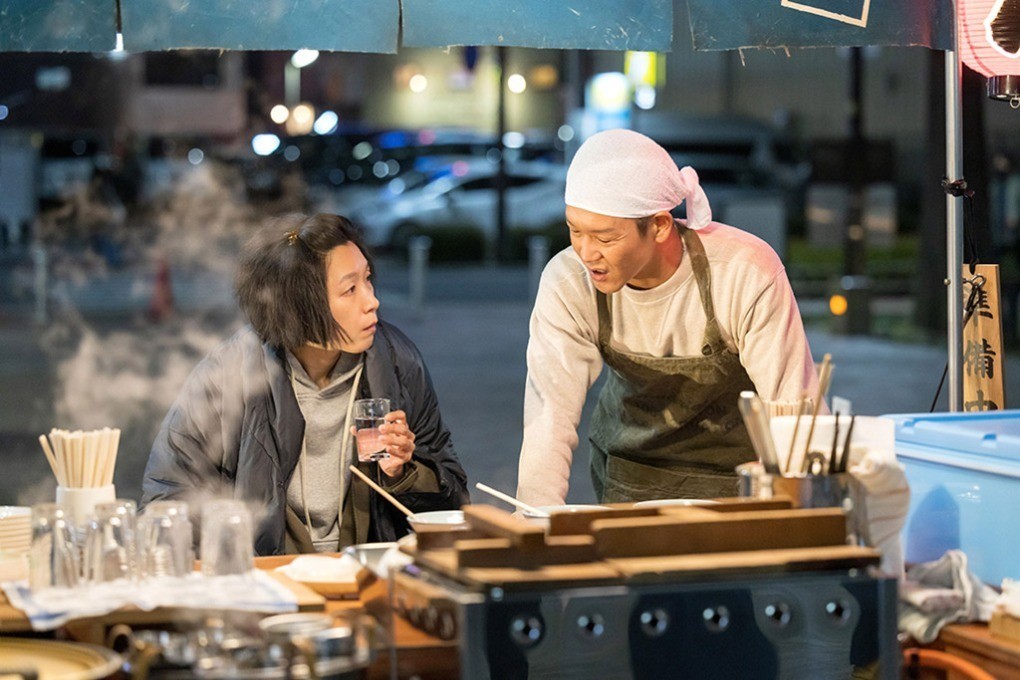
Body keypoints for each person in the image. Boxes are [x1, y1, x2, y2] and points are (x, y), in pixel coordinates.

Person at [516, 129, 819, 506]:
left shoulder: (743, 271)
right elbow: (549, 413)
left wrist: (790, 508)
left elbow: (792, 408)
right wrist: (533, 521)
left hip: (740, 482)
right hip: (629, 474)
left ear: (659, 225)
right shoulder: (568, 281)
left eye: (605, 238)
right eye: (575, 231)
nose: (586, 252)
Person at [141, 213, 469, 555]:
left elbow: (454, 504)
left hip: (367, 576)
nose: (372, 301)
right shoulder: (227, 376)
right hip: (263, 583)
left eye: (368, 280)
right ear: (298, 306)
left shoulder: (398, 362)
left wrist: (405, 474)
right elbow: (167, 499)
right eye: (350, 289)